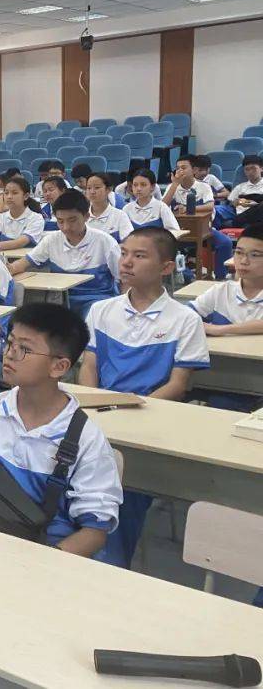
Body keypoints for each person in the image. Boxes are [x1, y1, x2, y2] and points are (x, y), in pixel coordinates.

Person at [0, 304, 123, 560]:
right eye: (10, 343)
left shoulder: (85, 439)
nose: (9, 354)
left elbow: (94, 532)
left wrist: (38, 566)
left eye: (25, 350)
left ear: (59, 367)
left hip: (44, 556)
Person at [79, 227, 209, 566]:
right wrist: (94, 405)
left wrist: (126, 411)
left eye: (139, 256)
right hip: (100, 415)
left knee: (119, 496)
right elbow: (89, 368)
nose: (126, 262)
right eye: (124, 253)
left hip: (152, 420)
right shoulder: (101, 310)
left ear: (167, 268)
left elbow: (178, 385)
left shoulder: (184, 320)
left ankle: (111, 567)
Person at [8, 189, 120, 319]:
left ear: (86, 216)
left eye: (72, 220)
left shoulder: (105, 242)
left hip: (96, 301)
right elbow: (22, 264)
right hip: (59, 301)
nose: (66, 227)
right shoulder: (52, 240)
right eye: (60, 221)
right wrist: (9, 268)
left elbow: (124, 279)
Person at [188, 223, 263, 410]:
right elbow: (186, 315)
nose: (243, 261)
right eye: (239, 252)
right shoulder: (222, 291)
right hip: (218, 375)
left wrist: (219, 329)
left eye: (255, 255)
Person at [165, 156, 232, 280]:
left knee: (225, 243)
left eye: (184, 167)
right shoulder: (172, 187)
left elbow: (210, 206)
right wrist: (175, 184)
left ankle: (220, 276)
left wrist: (187, 208)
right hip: (179, 229)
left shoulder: (203, 186)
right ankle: (187, 277)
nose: (180, 171)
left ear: (194, 170)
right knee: (164, 246)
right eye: (178, 168)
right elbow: (163, 206)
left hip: (203, 228)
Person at [0, 176, 45, 254]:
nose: (9, 197)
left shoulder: (36, 218)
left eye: (14, 193)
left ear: (26, 196)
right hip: (2, 258)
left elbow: (20, 242)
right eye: (6, 193)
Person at [86, 173, 134, 242]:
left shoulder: (120, 215)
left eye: (97, 187)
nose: (92, 192)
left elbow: (129, 242)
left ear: (109, 189)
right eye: (89, 188)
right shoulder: (81, 216)